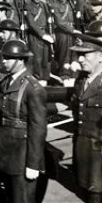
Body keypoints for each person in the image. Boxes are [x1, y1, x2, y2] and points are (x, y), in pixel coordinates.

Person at [0, 39, 47, 203]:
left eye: (8, 58)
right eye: (3, 57)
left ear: (20, 60)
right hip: (6, 152)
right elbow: (0, 119)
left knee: (23, 199)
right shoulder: (5, 83)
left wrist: (33, 163)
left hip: (22, 156)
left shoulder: (33, 88)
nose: (3, 61)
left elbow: (38, 128)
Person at [70, 21, 102, 203]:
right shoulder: (81, 82)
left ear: (101, 57)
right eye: (79, 55)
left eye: (85, 55)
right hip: (82, 154)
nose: (80, 59)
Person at [24, 0, 53, 84]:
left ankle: (45, 78)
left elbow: (48, 17)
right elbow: (31, 23)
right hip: (35, 35)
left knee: (46, 57)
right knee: (37, 58)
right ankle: (38, 78)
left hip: (45, 32)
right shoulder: (28, 6)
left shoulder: (43, 5)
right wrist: (42, 35)